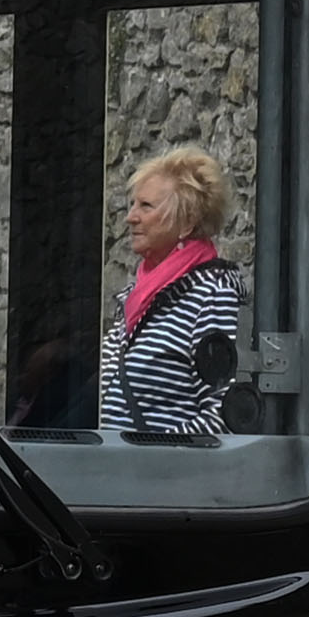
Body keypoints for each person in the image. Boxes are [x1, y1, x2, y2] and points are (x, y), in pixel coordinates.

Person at [104, 148, 243, 443]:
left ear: (187, 222)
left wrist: (148, 452)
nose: (130, 217)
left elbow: (223, 414)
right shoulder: (135, 299)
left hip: (160, 481)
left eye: (146, 206)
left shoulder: (211, 296)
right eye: (133, 205)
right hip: (112, 478)